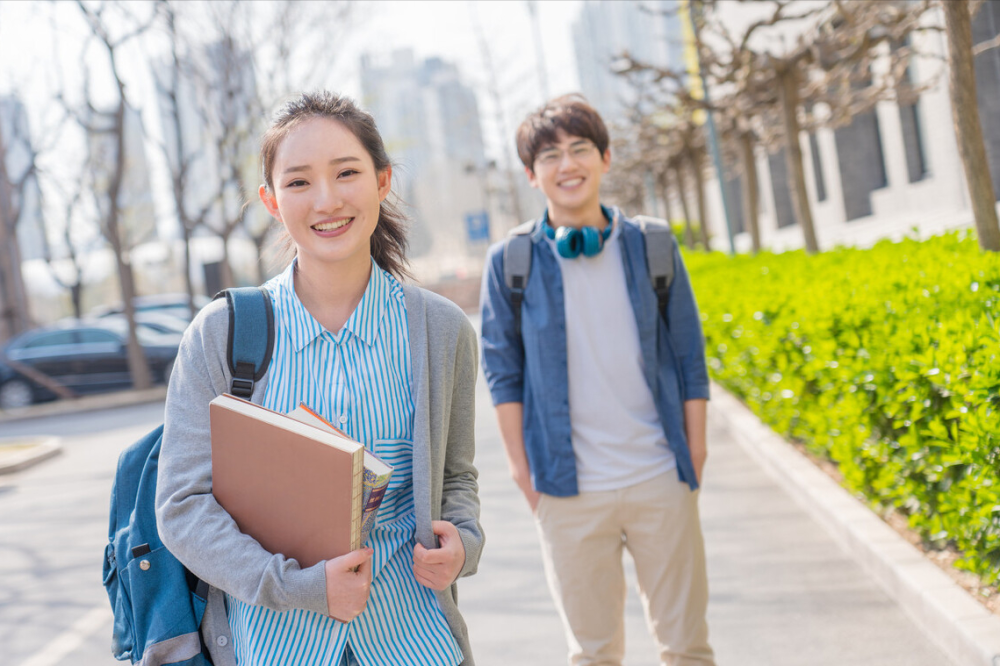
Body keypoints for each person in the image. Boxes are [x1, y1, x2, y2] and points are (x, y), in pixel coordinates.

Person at [156, 91, 483, 666]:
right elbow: (182, 505)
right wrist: (295, 585)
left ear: (383, 181)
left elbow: (456, 477)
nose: (326, 200)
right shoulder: (222, 334)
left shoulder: (439, 330)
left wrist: (463, 545)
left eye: (347, 173)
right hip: (279, 646)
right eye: (299, 182)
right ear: (271, 200)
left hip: (415, 642)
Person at [479, 94, 715, 666]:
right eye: (550, 155)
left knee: (687, 648)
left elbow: (688, 352)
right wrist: (520, 468)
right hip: (566, 488)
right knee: (592, 653)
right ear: (533, 175)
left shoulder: (652, 245)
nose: (567, 165)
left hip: (660, 473)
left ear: (605, 158)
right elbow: (502, 371)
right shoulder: (511, 262)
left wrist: (695, 449)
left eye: (580, 149)